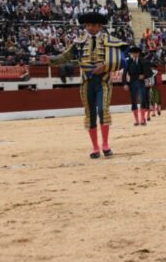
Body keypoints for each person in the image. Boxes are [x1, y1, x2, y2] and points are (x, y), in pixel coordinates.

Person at [50, 11, 127, 159]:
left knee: (102, 110)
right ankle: (95, 148)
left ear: (99, 26)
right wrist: (51, 60)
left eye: (93, 25)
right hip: (86, 82)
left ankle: (105, 145)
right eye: (88, 25)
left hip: (103, 81)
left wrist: (104, 67)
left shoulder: (110, 41)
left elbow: (122, 61)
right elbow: (66, 56)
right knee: (90, 113)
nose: (90, 28)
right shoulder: (79, 42)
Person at [123, 46, 149, 126]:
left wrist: (144, 75)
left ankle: (142, 119)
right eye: (133, 53)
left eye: (136, 53)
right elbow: (124, 74)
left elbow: (148, 72)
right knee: (133, 101)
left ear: (138, 53)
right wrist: (125, 84)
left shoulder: (143, 61)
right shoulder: (128, 62)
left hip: (141, 82)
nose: (135, 54)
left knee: (143, 100)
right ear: (131, 54)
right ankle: (137, 120)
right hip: (132, 83)